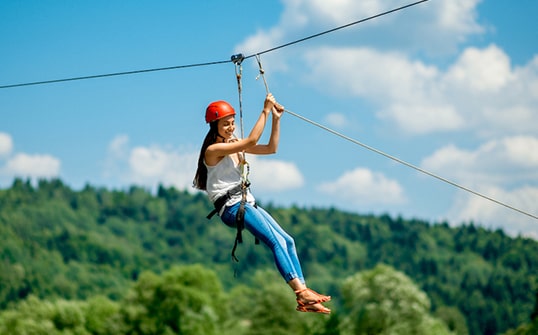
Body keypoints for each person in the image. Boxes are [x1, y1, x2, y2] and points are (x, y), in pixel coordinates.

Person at [193, 93, 331, 314]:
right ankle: (300, 292)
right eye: (225, 124)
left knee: (288, 241)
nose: (230, 128)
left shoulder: (233, 144)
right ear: (214, 126)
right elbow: (252, 141)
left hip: (246, 202)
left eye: (232, 123)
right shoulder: (213, 151)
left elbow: (270, 148)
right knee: (274, 242)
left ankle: (304, 293)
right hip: (232, 207)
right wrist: (265, 110)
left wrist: (275, 119)